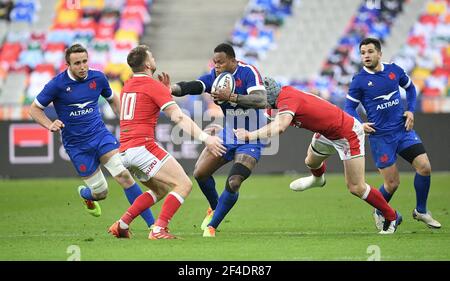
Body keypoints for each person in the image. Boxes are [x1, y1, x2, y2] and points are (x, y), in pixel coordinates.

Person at [235, 77, 402, 234]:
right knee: (311, 161)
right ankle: (318, 179)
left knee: (356, 187)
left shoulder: (286, 99)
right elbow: (266, 117)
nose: (257, 99)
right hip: (326, 132)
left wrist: (249, 135)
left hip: (346, 134)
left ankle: (391, 216)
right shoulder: (276, 101)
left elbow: (280, 127)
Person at [28, 43, 156, 229]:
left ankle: (153, 226)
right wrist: (50, 124)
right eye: (77, 63)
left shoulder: (98, 78)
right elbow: (34, 109)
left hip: (100, 136)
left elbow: (113, 99)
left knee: (124, 176)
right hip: (77, 146)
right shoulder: (57, 84)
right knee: (101, 192)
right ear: (68, 66)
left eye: (85, 61)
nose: (82, 66)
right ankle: (86, 195)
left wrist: (125, 123)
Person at [107, 45, 225, 239]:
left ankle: (121, 224)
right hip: (143, 147)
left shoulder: (128, 85)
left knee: (159, 189)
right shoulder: (153, 86)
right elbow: (178, 117)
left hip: (125, 151)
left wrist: (165, 92)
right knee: (184, 184)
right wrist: (206, 138)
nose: (154, 59)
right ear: (147, 64)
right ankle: (158, 229)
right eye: (151, 57)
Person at [167, 43, 267, 237]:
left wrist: (231, 96)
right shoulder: (215, 76)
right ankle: (215, 207)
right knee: (200, 173)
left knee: (235, 181)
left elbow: (260, 100)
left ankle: (212, 226)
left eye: (220, 62)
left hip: (251, 136)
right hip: (229, 133)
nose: (216, 66)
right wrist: (170, 88)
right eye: (214, 62)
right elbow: (193, 86)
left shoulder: (248, 72)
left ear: (232, 60)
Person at [344, 37, 441, 229]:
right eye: (363, 53)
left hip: (402, 130)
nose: (366, 56)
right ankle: (380, 210)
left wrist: (411, 110)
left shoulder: (394, 70)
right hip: (381, 138)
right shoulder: (359, 81)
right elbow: (348, 107)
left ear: (380, 53)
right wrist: (359, 125)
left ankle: (421, 211)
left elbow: (411, 88)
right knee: (392, 183)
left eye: (370, 52)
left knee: (425, 167)